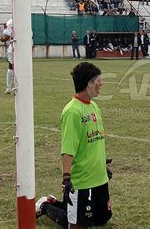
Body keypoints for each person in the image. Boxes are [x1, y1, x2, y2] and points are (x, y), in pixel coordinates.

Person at [36, 62, 112, 227]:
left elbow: (94, 140)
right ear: (88, 84)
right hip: (82, 180)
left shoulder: (94, 107)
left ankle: (61, 204)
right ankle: (44, 205)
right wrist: (66, 178)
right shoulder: (72, 111)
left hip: (99, 177)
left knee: (102, 219)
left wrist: (100, 164)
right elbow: (68, 149)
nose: (102, 83)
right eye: (98, 80)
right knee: (77, 225)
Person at [0, 19, 14, 94]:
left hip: (14, 47)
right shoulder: (26, 20)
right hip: (24, 47)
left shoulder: (11, 21)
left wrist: (2, 39)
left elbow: (7, 36)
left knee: (11, 66)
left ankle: (8, 87)